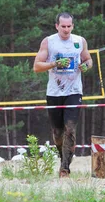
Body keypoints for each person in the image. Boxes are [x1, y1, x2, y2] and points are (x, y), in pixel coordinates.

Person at [34, 12, 93, 178]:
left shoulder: (79, 41)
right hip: (54, 92)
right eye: (63, 26)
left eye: (69, 26)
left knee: (70, 129)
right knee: (58, 133)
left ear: (72, 26)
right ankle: (63, 157)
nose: (66, 30)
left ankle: (65, 169)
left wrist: (86, 66)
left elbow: (88, 59)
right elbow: (36, 66)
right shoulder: (49, 42)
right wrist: (54, 63)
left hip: (74, 91)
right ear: (57, 26)